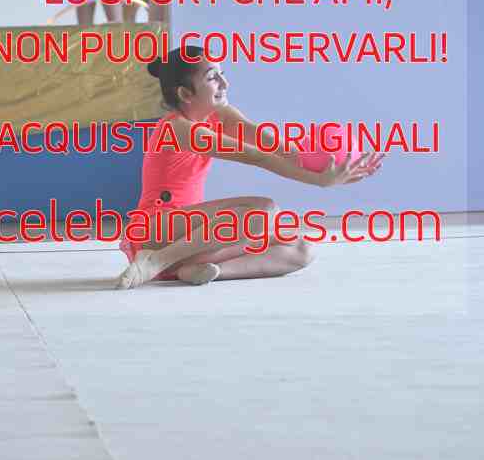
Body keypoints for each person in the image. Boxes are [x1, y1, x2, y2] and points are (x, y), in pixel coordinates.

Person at [118, 47, 383, 289]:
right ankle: (156, 260)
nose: (225, 83)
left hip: (190, 238)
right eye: (212, 78)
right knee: (264, 210)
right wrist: (319, 182)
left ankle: (199, 270)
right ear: (185, 94)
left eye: (222, 74)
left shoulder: (220, 115)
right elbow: (258, 157)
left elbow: (279, 149)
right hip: (155, 231)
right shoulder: (177, 129)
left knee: (301, 248)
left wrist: (332, 167)